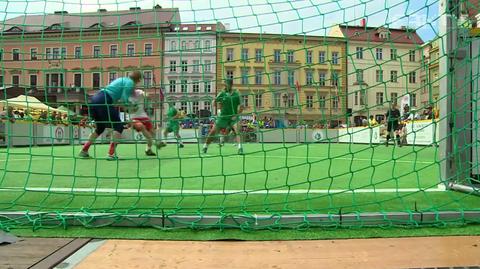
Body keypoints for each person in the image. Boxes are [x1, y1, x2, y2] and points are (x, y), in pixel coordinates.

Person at [79, 71, 142, 160]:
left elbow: (117, 99)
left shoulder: (122, 79)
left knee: (100, 128)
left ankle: (84, 150)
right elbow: (124, 99)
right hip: (104, 100)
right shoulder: (130, 83)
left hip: (95, 98)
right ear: (138, 80)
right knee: (119, 126)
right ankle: (111, 154)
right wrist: (132, 106)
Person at [202, 78, 243, 154]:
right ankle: (205, 146)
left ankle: (240, 148)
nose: (224, 86)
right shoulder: (222, 93)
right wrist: (218, 110)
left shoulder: (236, 94)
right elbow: (214, 102)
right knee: (213, 132)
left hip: (233, 117)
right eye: (224, 84)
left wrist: (236, 115)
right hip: (223, 117)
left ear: (230, 85)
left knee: (237, 130)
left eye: (226, 84)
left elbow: (242, 106)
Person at [128, 88, 162, 156]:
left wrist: (147, 96)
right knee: (142, 127)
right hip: (133, 118)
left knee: (153, 132)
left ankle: (148, 149)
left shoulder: (138, 92)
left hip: (143, 116)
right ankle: (156, 143)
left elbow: (145, 94)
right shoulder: (125, 95)